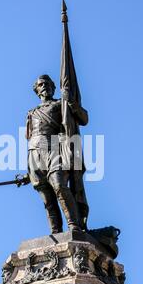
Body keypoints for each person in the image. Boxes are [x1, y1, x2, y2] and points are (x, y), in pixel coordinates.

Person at [25, 74, 89, 234]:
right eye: (41, 85)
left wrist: (71, 103)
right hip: (34, 152)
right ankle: (55, 231)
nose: (44, 86)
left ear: (54, 88)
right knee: (47, 198)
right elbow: (30, 136)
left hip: (55, 148)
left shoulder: (62, 104)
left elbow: (84, 119)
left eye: (47, 84)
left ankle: (74, 225)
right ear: (37, 91)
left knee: (59, 186)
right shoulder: (31, 112)